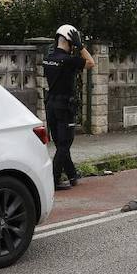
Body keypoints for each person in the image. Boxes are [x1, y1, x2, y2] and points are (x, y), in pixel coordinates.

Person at [43, 24, 95, 191]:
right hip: (64, 106)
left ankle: (72, 175)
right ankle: (53, 180)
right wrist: (81, 47)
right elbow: (91, 63)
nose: (74, 46)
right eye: (73, 42)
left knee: (60, 144)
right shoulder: (68, 60)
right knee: (65, 144)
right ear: (68, 41)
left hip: (50, 105)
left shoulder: (48, 58)